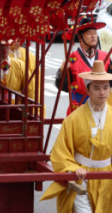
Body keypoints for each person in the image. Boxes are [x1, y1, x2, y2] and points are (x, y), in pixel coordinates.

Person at [40, 60, 112, 212]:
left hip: (107, 175)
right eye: (97, 88)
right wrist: (72, 168)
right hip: (81, 176)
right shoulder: (73, 118)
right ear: (88, 90)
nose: (102, 92)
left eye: (106, 88)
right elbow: (61, 151)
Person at [56, 18, 111, 115]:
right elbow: (62, 86)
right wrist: (62, 72)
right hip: (79, 106)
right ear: (81, 37)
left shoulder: (105, 56)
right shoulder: (72, 58)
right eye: (89, 33)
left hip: (102, 106)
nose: (94, 36)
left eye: (95, 33)